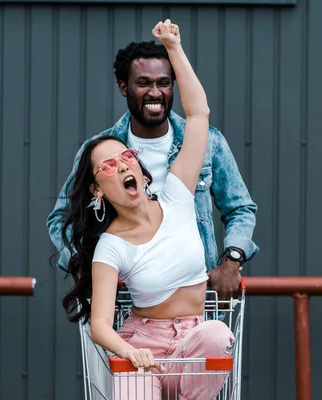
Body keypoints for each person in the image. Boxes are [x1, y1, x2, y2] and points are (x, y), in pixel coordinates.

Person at [58, 20, 234, 399]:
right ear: (97, 190)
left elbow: (200, 116)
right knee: (136, 387)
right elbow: (101, 325)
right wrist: (129, 351)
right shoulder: (110, 246)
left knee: (219, 335)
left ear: (139, 167)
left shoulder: (177, 195)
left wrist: (174, 48)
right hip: (142, 344)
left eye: (125, 156)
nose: (121, 165)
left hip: (195, 339)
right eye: (108, 165)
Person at [46, 24, 259, 302]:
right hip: (123, 299)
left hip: (193, 295)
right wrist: (89, 266)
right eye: (144, 83)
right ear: (124, 87)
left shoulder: (206, 143)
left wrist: (231, 261)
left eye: (164, 83)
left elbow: (240, 208)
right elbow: (62, 218)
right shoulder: (100, 152)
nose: (155, 93)